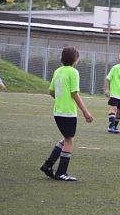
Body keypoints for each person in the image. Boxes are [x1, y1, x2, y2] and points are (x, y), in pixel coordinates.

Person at [40, 46, 94, 182]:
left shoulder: (58, 71)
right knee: (69, 140)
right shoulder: (73, 72)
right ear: (75, 59)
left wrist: (60, 97)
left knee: (65, 138)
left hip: (58, 111)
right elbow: (74, 93)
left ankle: (48, 165)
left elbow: (51, 92)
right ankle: (61, 173)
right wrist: (85, 112)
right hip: (68, 112)